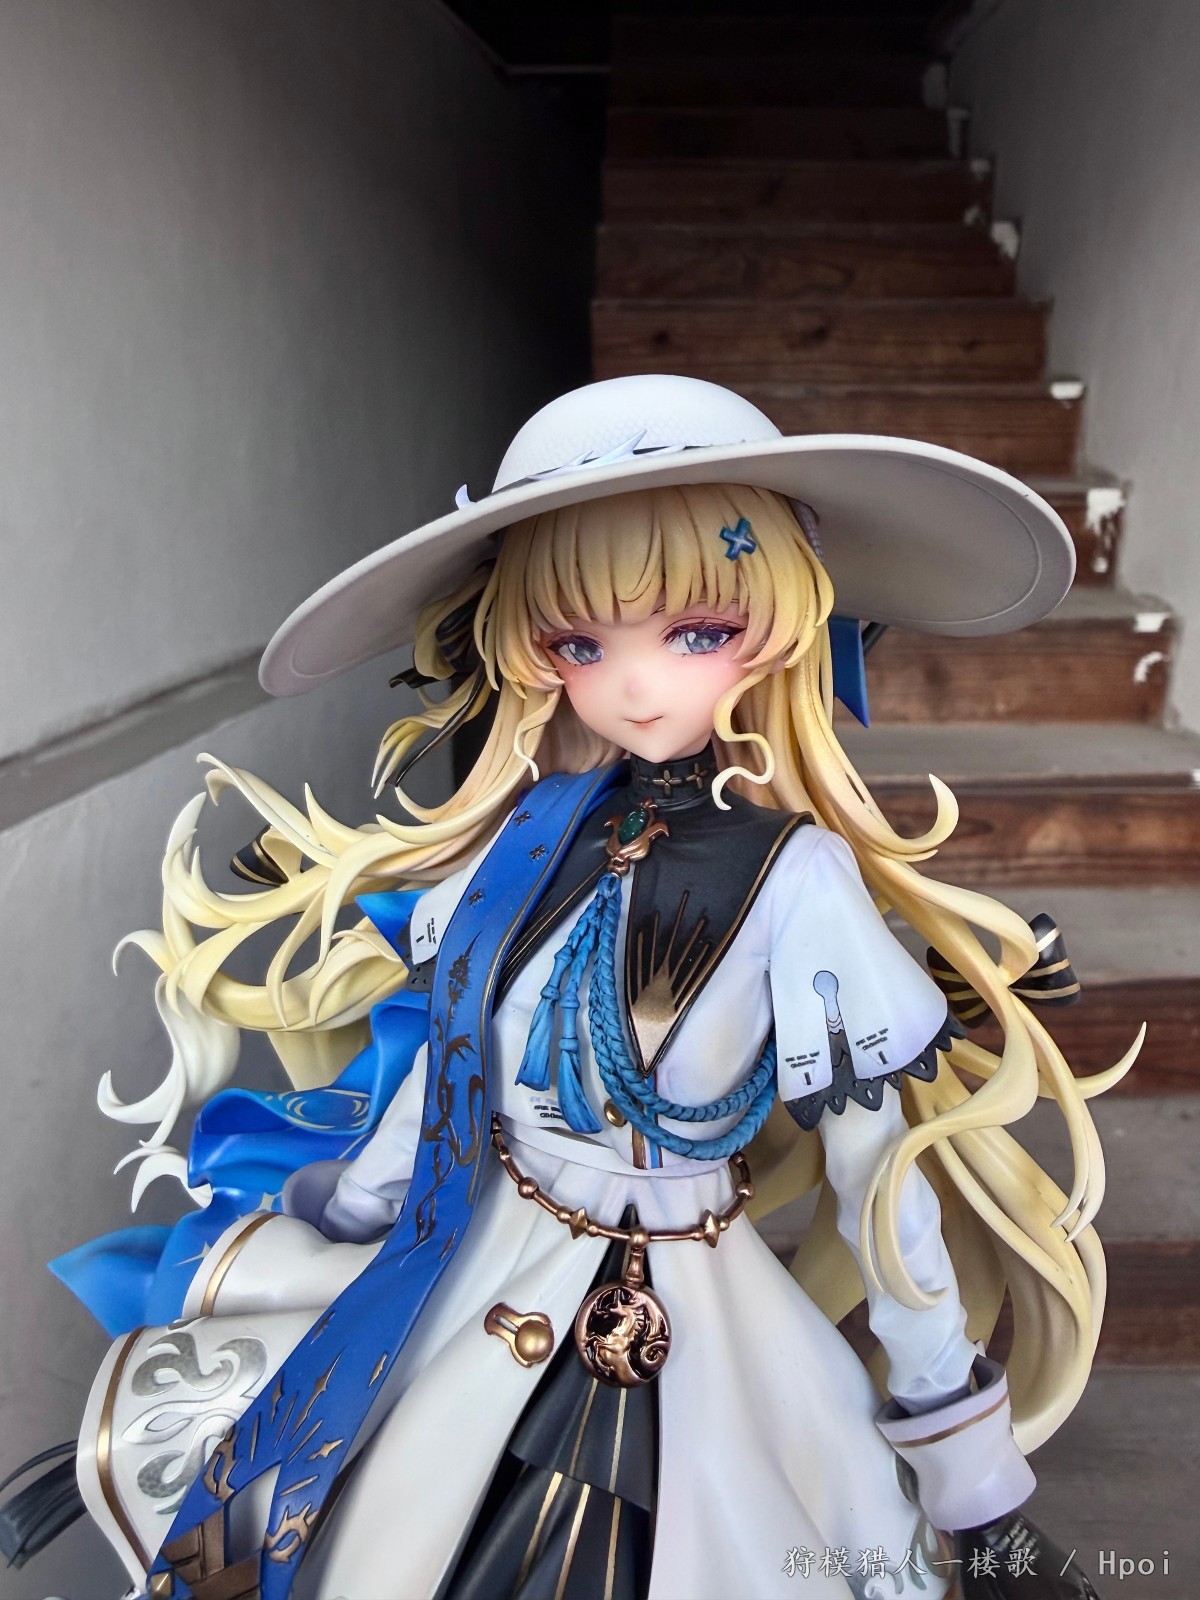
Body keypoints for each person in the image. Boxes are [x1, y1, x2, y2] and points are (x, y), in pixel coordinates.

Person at [25, 376, 1129, 1598]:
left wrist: (968, 1465)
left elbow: (882, 1183)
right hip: (486, 1272)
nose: (637, 686)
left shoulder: (799, 876)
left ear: (778, 624)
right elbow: (449, 1079)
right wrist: (325, 1239)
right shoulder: (528, 844)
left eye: (696, 631)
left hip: (706, 1313)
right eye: (582, 644)